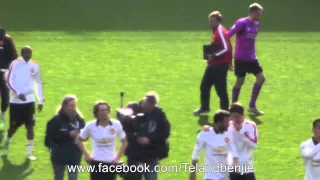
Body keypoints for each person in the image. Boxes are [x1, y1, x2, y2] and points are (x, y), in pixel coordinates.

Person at [2, 46, 44, 160]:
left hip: (29, 102)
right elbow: (9, 80)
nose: (28, 55)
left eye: (29, 53)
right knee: (13, 128)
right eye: (25, 53)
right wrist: (18, 93)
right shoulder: (15, 64)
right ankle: (6, 141)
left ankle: (29, 153)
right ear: (21, 53)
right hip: (16, 102)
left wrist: (40, 100)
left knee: (30, 127)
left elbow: (38, 83)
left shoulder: (34, 65)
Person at [227, 3, 265, 115]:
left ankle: (252, 106)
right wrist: (228, 57)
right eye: (258, 14)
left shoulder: (257, 24)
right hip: (240, 58)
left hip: (252, 58)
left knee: (261, 78)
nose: (259, 16)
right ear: (252, 12)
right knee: (240, 81)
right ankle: (233, 106)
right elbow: (228, 35)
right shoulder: (241, 23)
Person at [123, 92, 170, 180]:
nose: (147, 109)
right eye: (146, 106)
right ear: (143, 101)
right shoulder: (132, 109)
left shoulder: (159, 114)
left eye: (150, 107)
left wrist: (150, 139)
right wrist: (136, 137)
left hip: (151, 152)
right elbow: (123, 129)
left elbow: (165, 133)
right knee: (134, 177)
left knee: (151, 178)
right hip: (135, 152)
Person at [193, 11, 233, 116]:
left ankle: (225, 113)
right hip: (213, 65)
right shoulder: (216, 31)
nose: (210, 23)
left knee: (221, 90)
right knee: (204, 86)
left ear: (218, 21)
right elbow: (228, 46)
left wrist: (213, 55)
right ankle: (205, 108)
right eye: (209, 21)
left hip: (219, 66)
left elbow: (226, 48)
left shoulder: (221, 31)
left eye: (212, 21)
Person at [76, 101, 128, 180]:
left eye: (106, 110)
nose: (104, 112)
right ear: (96, 113)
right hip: (96, 162)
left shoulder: (116, 124)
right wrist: (86, 154)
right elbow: (79, 139)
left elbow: (124, 141)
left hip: (111, 163)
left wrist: (117, 157)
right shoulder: (90, 125)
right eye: (102, 110)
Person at [45, 95, 85, 180]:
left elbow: (85, 136)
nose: (73, 108)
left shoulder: (80, 120)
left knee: (73, 178)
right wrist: (68, 134)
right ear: (63, 106)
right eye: (70, 105)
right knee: (59, 177)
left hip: (75, 155)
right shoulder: (55, 121)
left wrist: (81, 135)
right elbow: (49, 139)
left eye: (74, 105)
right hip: (59, 155)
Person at [190, 110, 239, 180]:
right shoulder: (205, 134)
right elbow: (196, 154)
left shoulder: (229, 133)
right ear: (219, 122)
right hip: (210, 177)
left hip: (226, 177)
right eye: (227, 122)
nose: (229, 124)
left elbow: (234, 152)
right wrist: (193, 172)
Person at [0, 27, 18, 129]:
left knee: (5, 96)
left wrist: (9, 69)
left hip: (4, 73)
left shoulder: (7, 40)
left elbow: (14, 56)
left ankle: (2, 115)